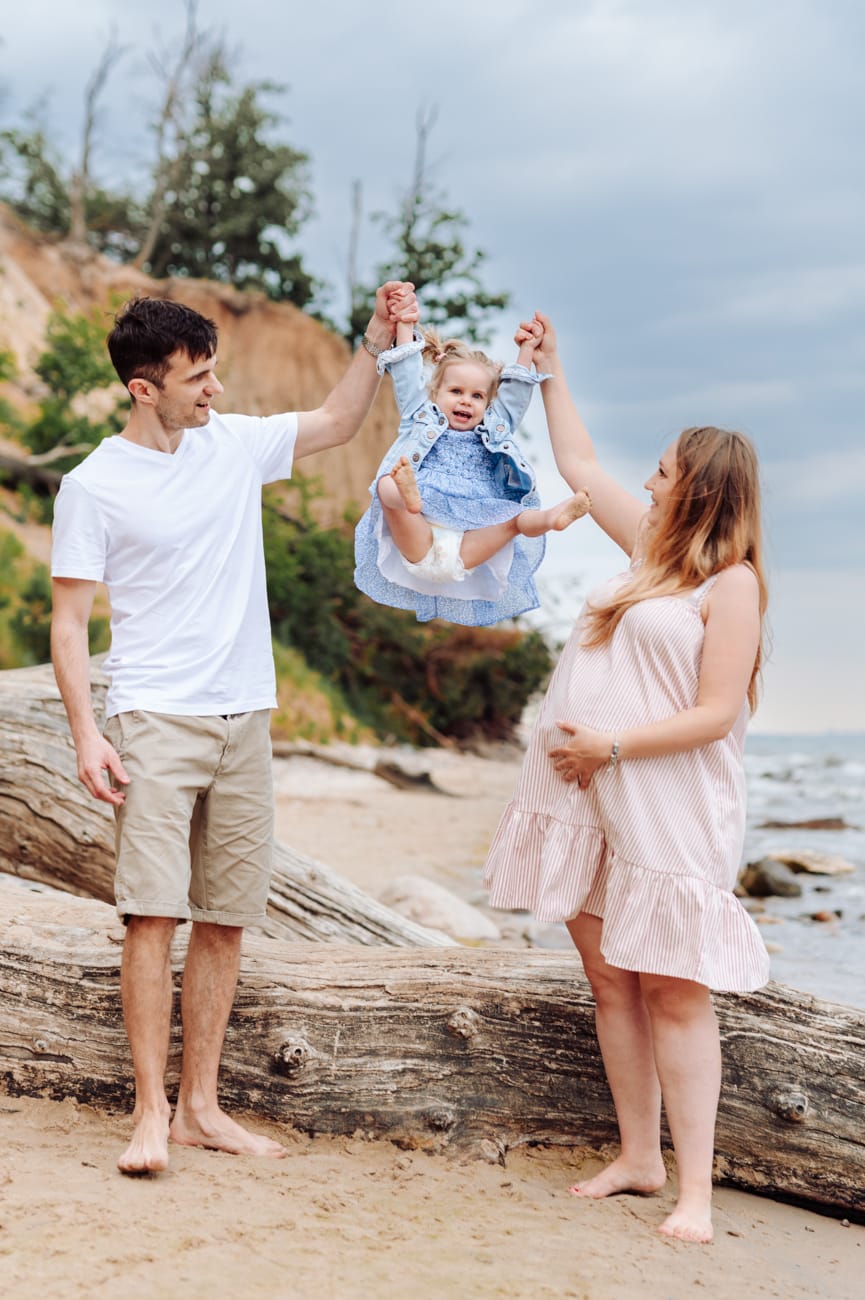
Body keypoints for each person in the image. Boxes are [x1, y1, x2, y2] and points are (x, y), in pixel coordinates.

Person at [49, 283, 415, 1175]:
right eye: (198, 377)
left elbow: (334, 418)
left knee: (224, 917)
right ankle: (148, 1110)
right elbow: (66, 625)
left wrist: (372, 342)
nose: (215, 390)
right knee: (151, 915)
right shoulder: (92, 485)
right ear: (145, 387)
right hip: (153, 718)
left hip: (246, 716)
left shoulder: (235, 445)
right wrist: (87, 734)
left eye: (216, 372)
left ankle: (200, 1109)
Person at [483, 313, 770, 1244]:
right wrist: (553, 370)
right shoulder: (647, 549)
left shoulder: (729, 585)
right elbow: (578, 462)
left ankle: (694, 1191)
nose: (647, 479)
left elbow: (716, 713)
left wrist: (607, 748)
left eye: (662, 468)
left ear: (697, 485)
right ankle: (637, 1157)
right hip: (584, 792)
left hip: (664, 798)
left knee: (672, 990)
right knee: (609, 979)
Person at [354, 309, 590, 625]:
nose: (466, 401)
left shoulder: (494, 428)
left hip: (465, 550)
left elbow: (514, 398)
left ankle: (552, 517)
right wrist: (406, 326)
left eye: (477, 396)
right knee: (387, 487)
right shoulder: (419, 415)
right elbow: (407, 373)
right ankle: (409, 496)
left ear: (487, 404)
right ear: (434, 393)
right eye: (456, 392)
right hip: (420, 526)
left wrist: (526, 351)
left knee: (516, 520)